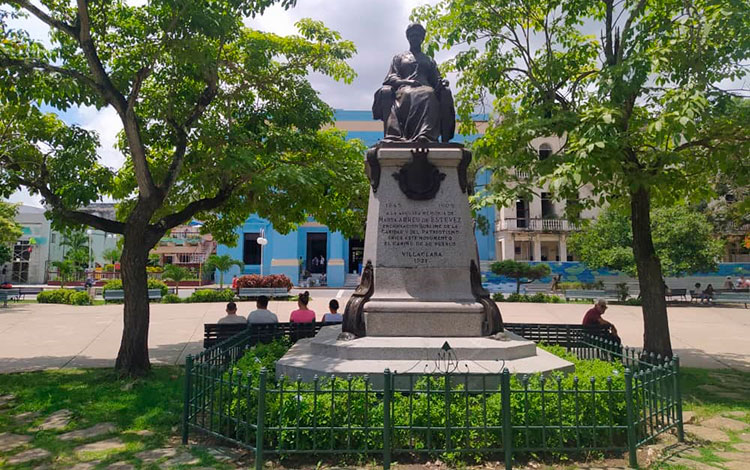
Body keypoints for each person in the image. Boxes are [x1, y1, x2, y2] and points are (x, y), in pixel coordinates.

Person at [373, 23, 455, 143]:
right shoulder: (399, 58)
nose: (414, 38)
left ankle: (426, 135)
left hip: (426, 88)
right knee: (408, 94)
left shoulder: (429, 60)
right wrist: (407, 81)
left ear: (422, 38)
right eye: (412, 35)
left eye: (417, 35)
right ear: (408, 38)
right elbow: (390, 78)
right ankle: (395, 134)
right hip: (404, 89)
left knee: (429, 94)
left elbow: (436, 79)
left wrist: (442, 82)